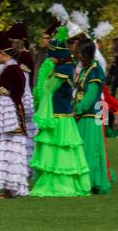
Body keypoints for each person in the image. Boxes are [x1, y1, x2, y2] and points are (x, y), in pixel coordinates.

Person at [29, 29, 90, 197]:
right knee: (56, 149)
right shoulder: (64, 66)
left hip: (59, 118)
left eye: (51, 56)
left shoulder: (63, 69)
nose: (49, 58)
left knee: (59, 149)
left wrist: (44, 73)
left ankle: (60, 184)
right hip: (59, 115)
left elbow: (48, 90)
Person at [0, 30, 36, 198]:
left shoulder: (11, 70)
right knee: (11, 150)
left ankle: (9, 188)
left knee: (6, 149)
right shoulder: (14, 69)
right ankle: (10, 188)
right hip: (14, 115)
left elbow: (7, 97)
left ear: (0, 53)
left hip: (7, 116)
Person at [73, 39, 113, 195]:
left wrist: (79, 109)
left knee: (91, 148)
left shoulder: (95, 70)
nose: (78, 56)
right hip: (83, 114)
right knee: (84, 148)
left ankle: (90, 181)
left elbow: (91, 93)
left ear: (87, 54)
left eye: (80, 53)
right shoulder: (86, 69)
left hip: (89, 114)